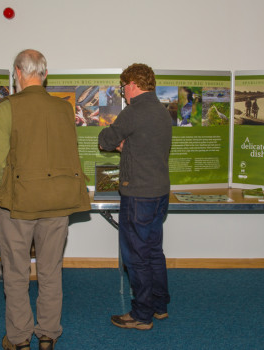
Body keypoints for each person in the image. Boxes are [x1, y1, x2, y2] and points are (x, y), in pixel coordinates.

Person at [0, 49, 90, 350]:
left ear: (17, 72)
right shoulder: (63, 109)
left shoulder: (8, 108)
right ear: (44, 74)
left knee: (16, 272)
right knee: (50, 270)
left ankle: (18, 339)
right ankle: (48, 334)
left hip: (17, 204)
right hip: (57, 203)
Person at [98, 63, 172, 330]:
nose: (123, 93)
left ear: (132, 85)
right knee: (153, 251)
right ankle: (159, 305)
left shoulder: (134, 111)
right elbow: (145, 148)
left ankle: (141, 314)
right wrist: (126, 148)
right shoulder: (162, 112)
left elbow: (105, 139)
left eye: (123, 88)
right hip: (160, 193)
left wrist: (117, 143)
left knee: (135, 255)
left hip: (138, 195)